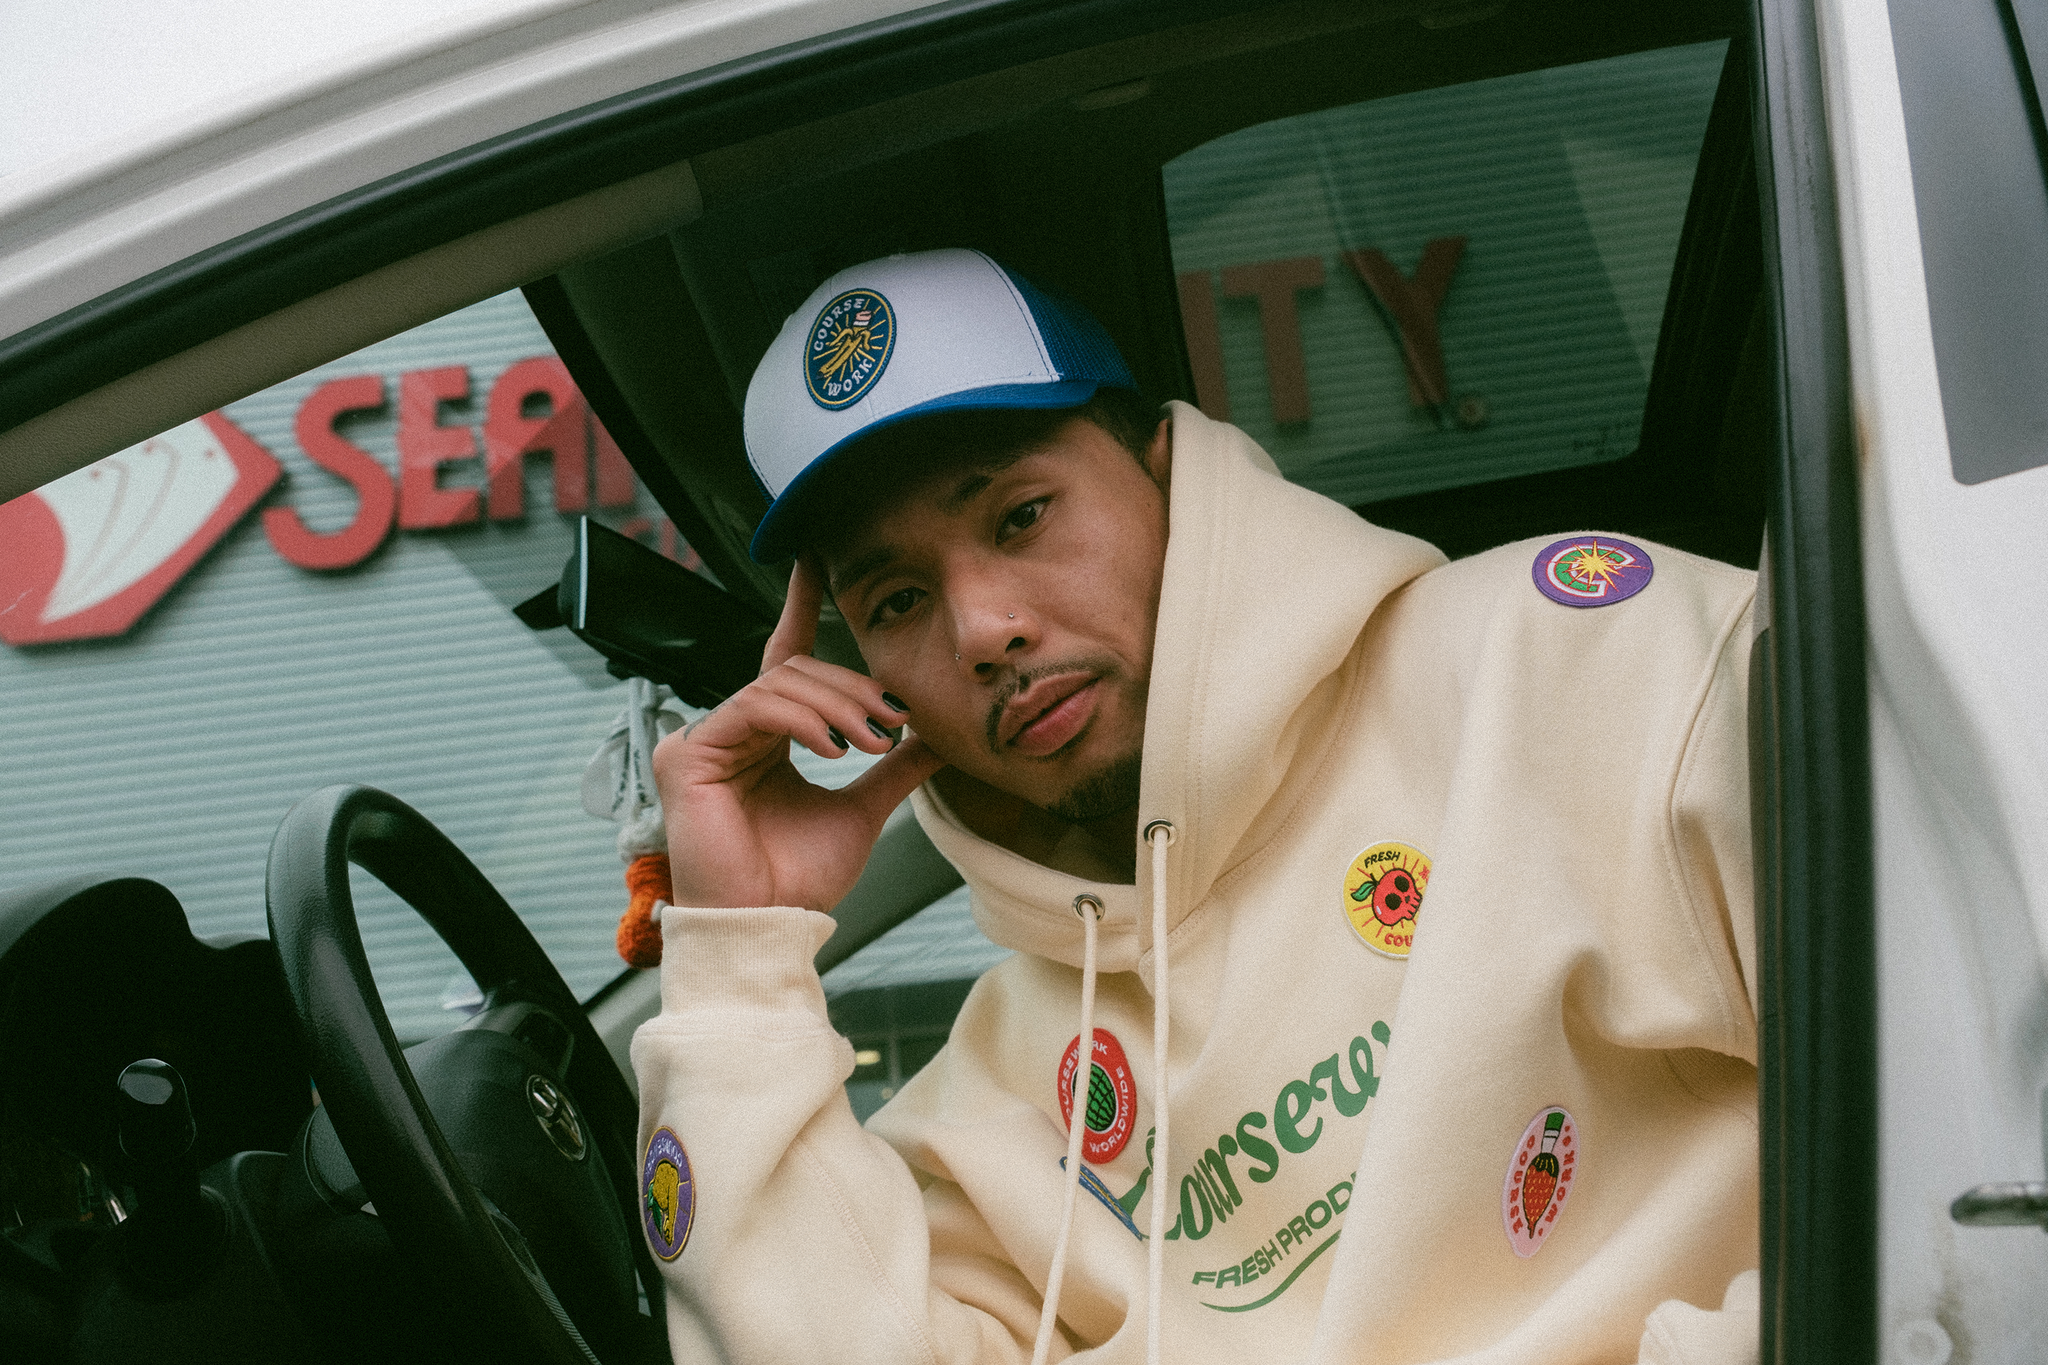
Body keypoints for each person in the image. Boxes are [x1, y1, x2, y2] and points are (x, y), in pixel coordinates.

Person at [632, 248, 1761, 1365]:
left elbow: (1925, 1085)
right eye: (897, 598)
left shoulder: (1567, 658)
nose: (981, 631)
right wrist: (743, 963)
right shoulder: (989, 1103)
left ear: (1173, 476)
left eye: (1020, 515)